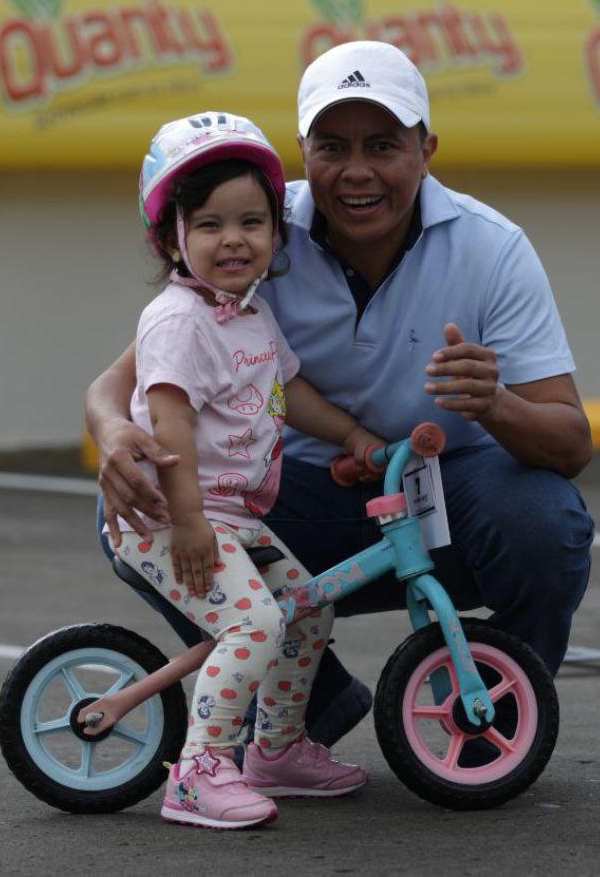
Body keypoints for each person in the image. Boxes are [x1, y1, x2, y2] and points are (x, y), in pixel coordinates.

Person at [86, 42, 595, 760]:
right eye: (332, 146)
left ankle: (492, 720)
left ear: (427, 149)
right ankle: (302, 716)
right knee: (142, 503)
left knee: (544, 518)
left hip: (437, 503)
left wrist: (494, 403)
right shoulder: (255, 226)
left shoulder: (493, 250)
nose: (357, 171)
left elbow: (571, 445)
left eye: (384, 145)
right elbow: (119, 381)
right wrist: (112, 434)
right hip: (291, 504)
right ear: (302, 151)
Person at [114, 111, 379, 830]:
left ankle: (277, 750)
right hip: (173, 520)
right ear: (170, 237)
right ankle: (198, 774)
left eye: (252, 222)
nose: (233, 239)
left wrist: (356, 436)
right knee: (255, 622)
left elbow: (290, 395)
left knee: (308, 604)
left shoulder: (247, 313)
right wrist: (192, 524)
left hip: (232, 519)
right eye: (208, 224)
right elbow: (168, 425)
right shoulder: (178, 321)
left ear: (275, 232)